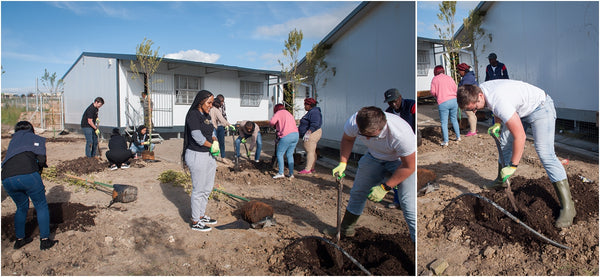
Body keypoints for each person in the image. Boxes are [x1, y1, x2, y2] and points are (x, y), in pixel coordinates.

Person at [457, 80, 576, 228]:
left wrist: (513, 165)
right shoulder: (481, 91)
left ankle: (568, 207)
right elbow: (495, 108)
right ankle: (501, 181)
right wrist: (498, 124)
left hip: (540, 107)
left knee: (545, 154)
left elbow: (520, 136)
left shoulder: (498, 100)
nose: (475, 111)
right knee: (504, 142)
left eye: (474, 108)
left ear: (480, 96)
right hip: (520, 111)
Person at [322, 106, 416, 241]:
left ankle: (414, 242)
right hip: (373, 157)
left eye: (370, 135)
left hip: (401, 161)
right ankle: (345, 229)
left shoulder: (401, 134)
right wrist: (343, 162)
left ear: (381, 128)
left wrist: (385, 187)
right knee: (357, 192)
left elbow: (409, 166)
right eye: (363, 134)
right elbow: (348, 139)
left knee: (408, 204)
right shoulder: (355, 121)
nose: (366, 138)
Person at [2, 121, 57, 250]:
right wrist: (38, 170)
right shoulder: (35, 138)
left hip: (6, 178)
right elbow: (42, 160)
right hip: (28, 175)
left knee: (21, 207)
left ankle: (20, 240)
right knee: (41, 205)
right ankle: (45, 240)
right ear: (31, 129)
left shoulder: (13, 141)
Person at [181, 90, 220, 232]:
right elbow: (197, 137)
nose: (211, 105)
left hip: (209, 155)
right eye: (209, 102)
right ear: (200, 101)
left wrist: (214, 140)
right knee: (198, 189)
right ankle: (195, 220)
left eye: (212, 102)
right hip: (197, 155)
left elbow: (212, 131)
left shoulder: (206, 115)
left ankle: (201, 214)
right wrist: (212, 146)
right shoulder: (193, 115)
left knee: (207, 187)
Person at [383, 88, 416, 209]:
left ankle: (408, 202)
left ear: (400, 97)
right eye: (390, 102)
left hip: (410, 144)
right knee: (397, 172)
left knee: (410, 172)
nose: (393, 104)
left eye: (395, 101)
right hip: (396, 146)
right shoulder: (387, 113)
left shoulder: (412, 105)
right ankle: (397, 201)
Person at [430, 65, 461, 146]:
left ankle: (446, 141)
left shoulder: (435, 79)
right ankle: (458, 137)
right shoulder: (449, 77)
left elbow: (433, 92)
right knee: (454, 119)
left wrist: (437, 95)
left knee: (444, 122)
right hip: (454, 100)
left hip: (443, 102)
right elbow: (455, 88)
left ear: (435, 71)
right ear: (443, 70)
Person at [269, 104, 299, 179]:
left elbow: (272, 122)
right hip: (295, 135)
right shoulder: (289, 113)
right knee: (289, 154)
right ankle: (291, 174)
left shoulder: (278, 113)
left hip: (286, 135)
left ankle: (281, 172)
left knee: (280, 154)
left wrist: (275, 125)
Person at [297, 98, 322, 174]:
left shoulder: (314, 112)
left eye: (305, 105)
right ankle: (312, 168)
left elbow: (315, 123)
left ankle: (307, 169)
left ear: (309, 105)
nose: (304, 106)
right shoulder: (312, 112)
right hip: (312, 132)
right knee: (312, 151)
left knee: (309, 151)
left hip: (312, 133)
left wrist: (309, 132)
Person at [457, 63, 479, 137]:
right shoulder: (469, 76)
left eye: (459, 71)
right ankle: (474, 129)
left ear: (464, 70)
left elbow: (465, 90)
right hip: (472, 97)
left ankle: (473, 131)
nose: (459, 73)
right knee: (472, 114)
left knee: (470, 114)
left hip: (469, 98)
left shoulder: (467, 78)